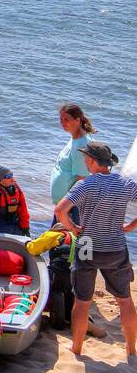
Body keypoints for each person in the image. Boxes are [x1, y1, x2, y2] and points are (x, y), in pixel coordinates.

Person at [54, 141, 137, 360]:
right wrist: (131, 226)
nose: (84, 162)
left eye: (85, 158)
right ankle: (130, 349)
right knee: (124, 299)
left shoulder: (86, 185)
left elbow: (60, 210)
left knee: (82, 300)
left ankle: (77, 348)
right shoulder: (125, 183)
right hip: (116, 246)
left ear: (92, 161)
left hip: (87, 244)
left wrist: (73, 228)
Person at [51, 103, 94, 206]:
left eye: (66, 119)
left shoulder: (82, 145)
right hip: (64, 204)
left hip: (70, 206)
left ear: (78, 120)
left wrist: (65, 207)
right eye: (61, 119)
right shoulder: (75, 138)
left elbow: (82, 179)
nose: (62, 123)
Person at [0, 164, 30, 235]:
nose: (12, 179)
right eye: (8, 177)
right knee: (15, 231)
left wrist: (25, 227)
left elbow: (23, 210)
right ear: (0, 180)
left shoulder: (16, 188)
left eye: (11, 175)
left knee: (23, 233)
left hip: (13, 221)